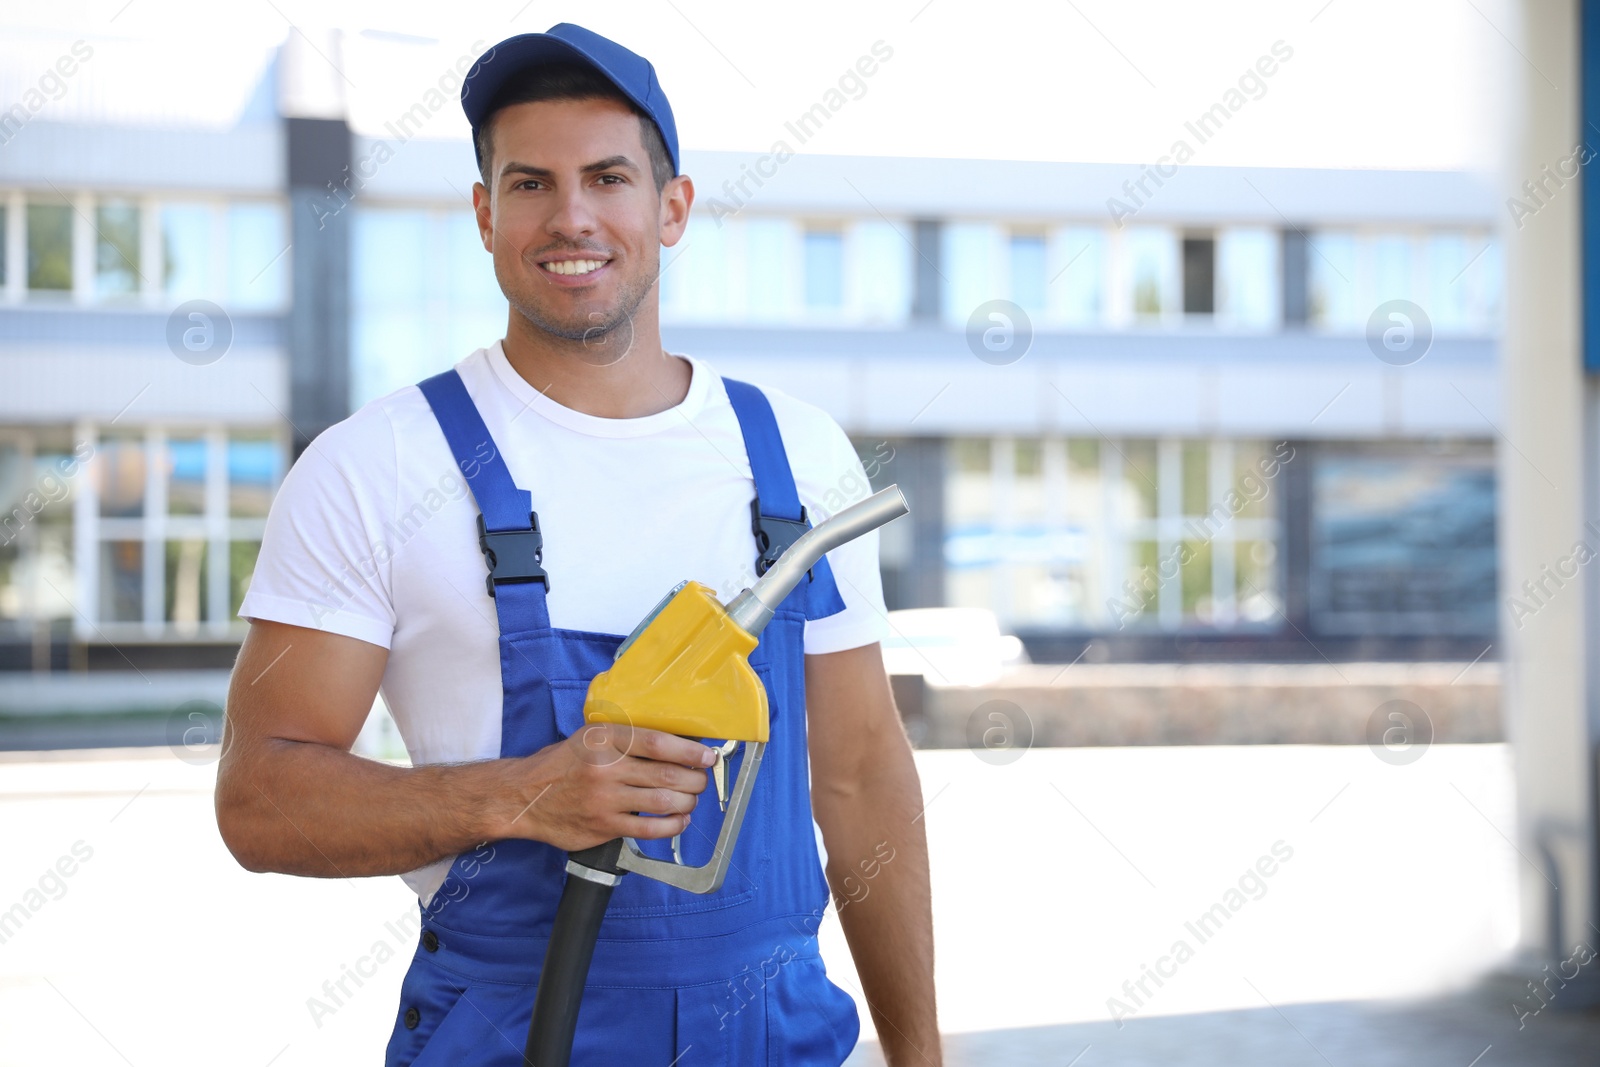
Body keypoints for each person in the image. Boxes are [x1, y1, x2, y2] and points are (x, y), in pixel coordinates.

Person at [214, 22, 939, 1066]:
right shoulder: (374, 467)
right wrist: (521, 792)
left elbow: (863, 775)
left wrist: (918, 1049)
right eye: (530, 183)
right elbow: (260, 800)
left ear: (672, 206)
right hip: (512, 1035)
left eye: (608, 176)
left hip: (775, 1034)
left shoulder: (799, 458)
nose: (572, 217)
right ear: (483, 211)